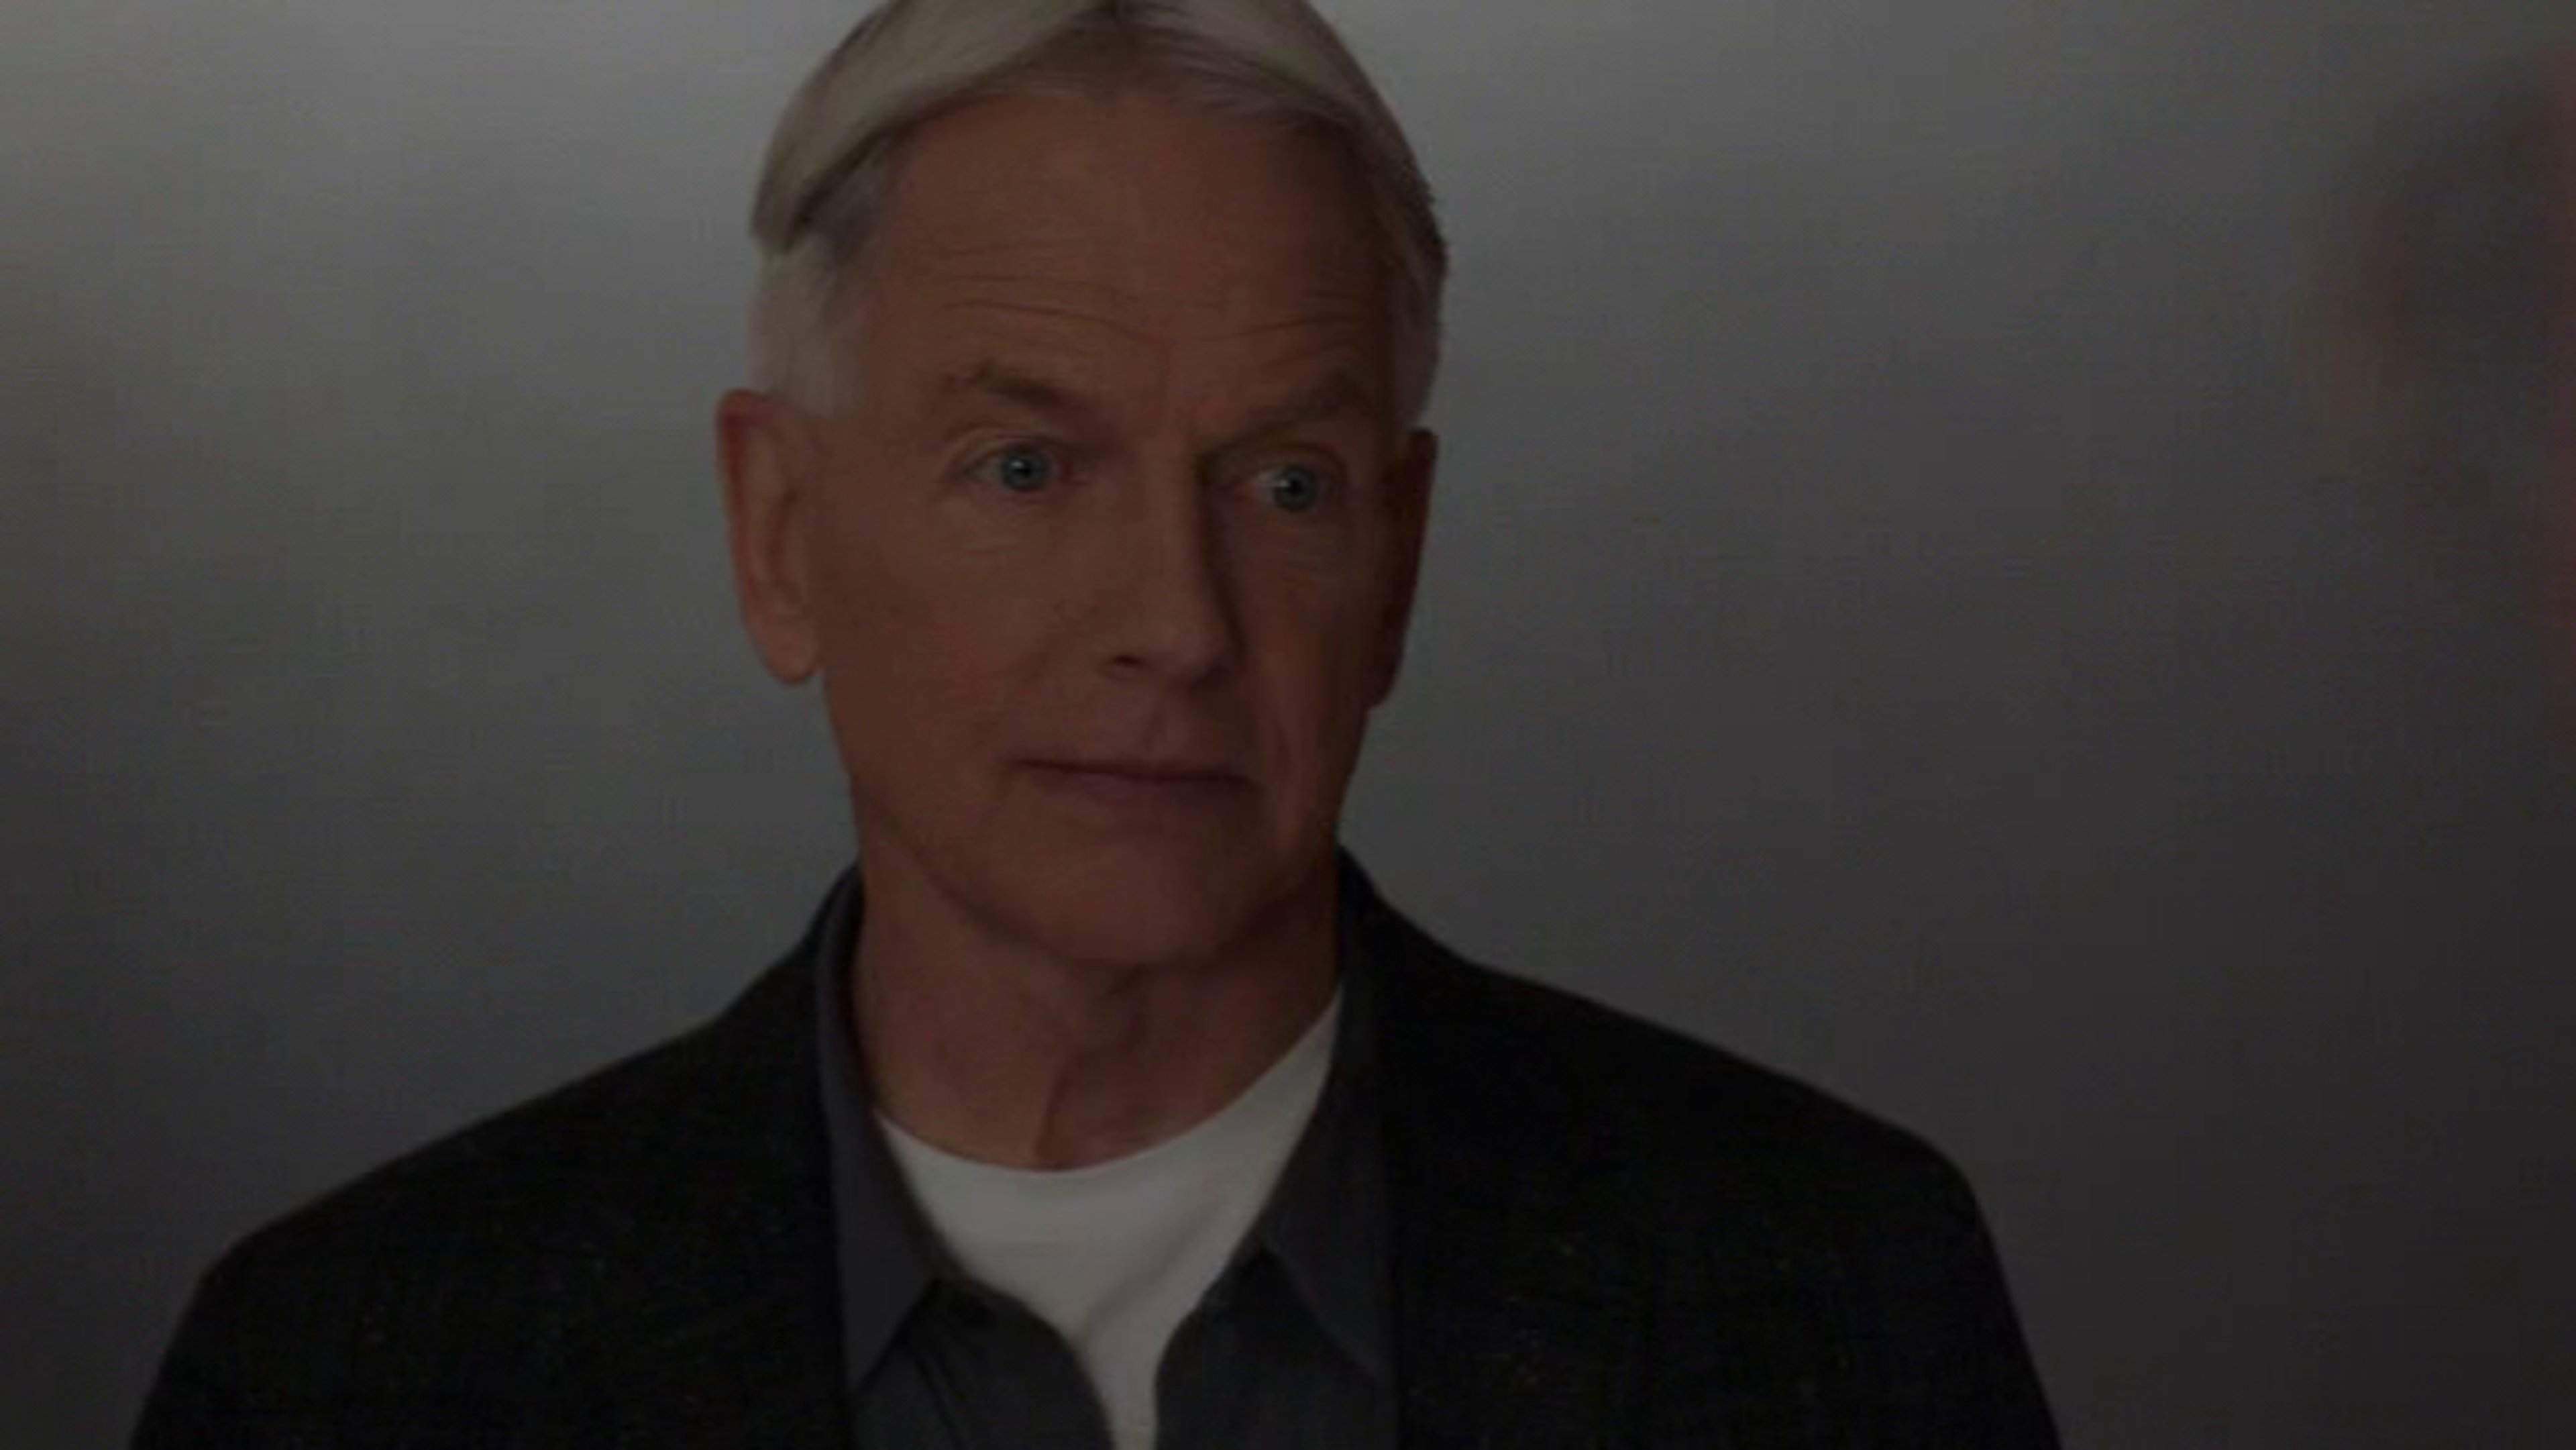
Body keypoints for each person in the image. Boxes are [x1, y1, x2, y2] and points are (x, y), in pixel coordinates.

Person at [134, 1, 2057, 1444]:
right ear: (780, 532)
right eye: (1029, 463)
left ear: (1396, 564)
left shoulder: (1835, 1296)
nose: (1174, 622)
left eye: (1286, 484)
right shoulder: (348, 1374)